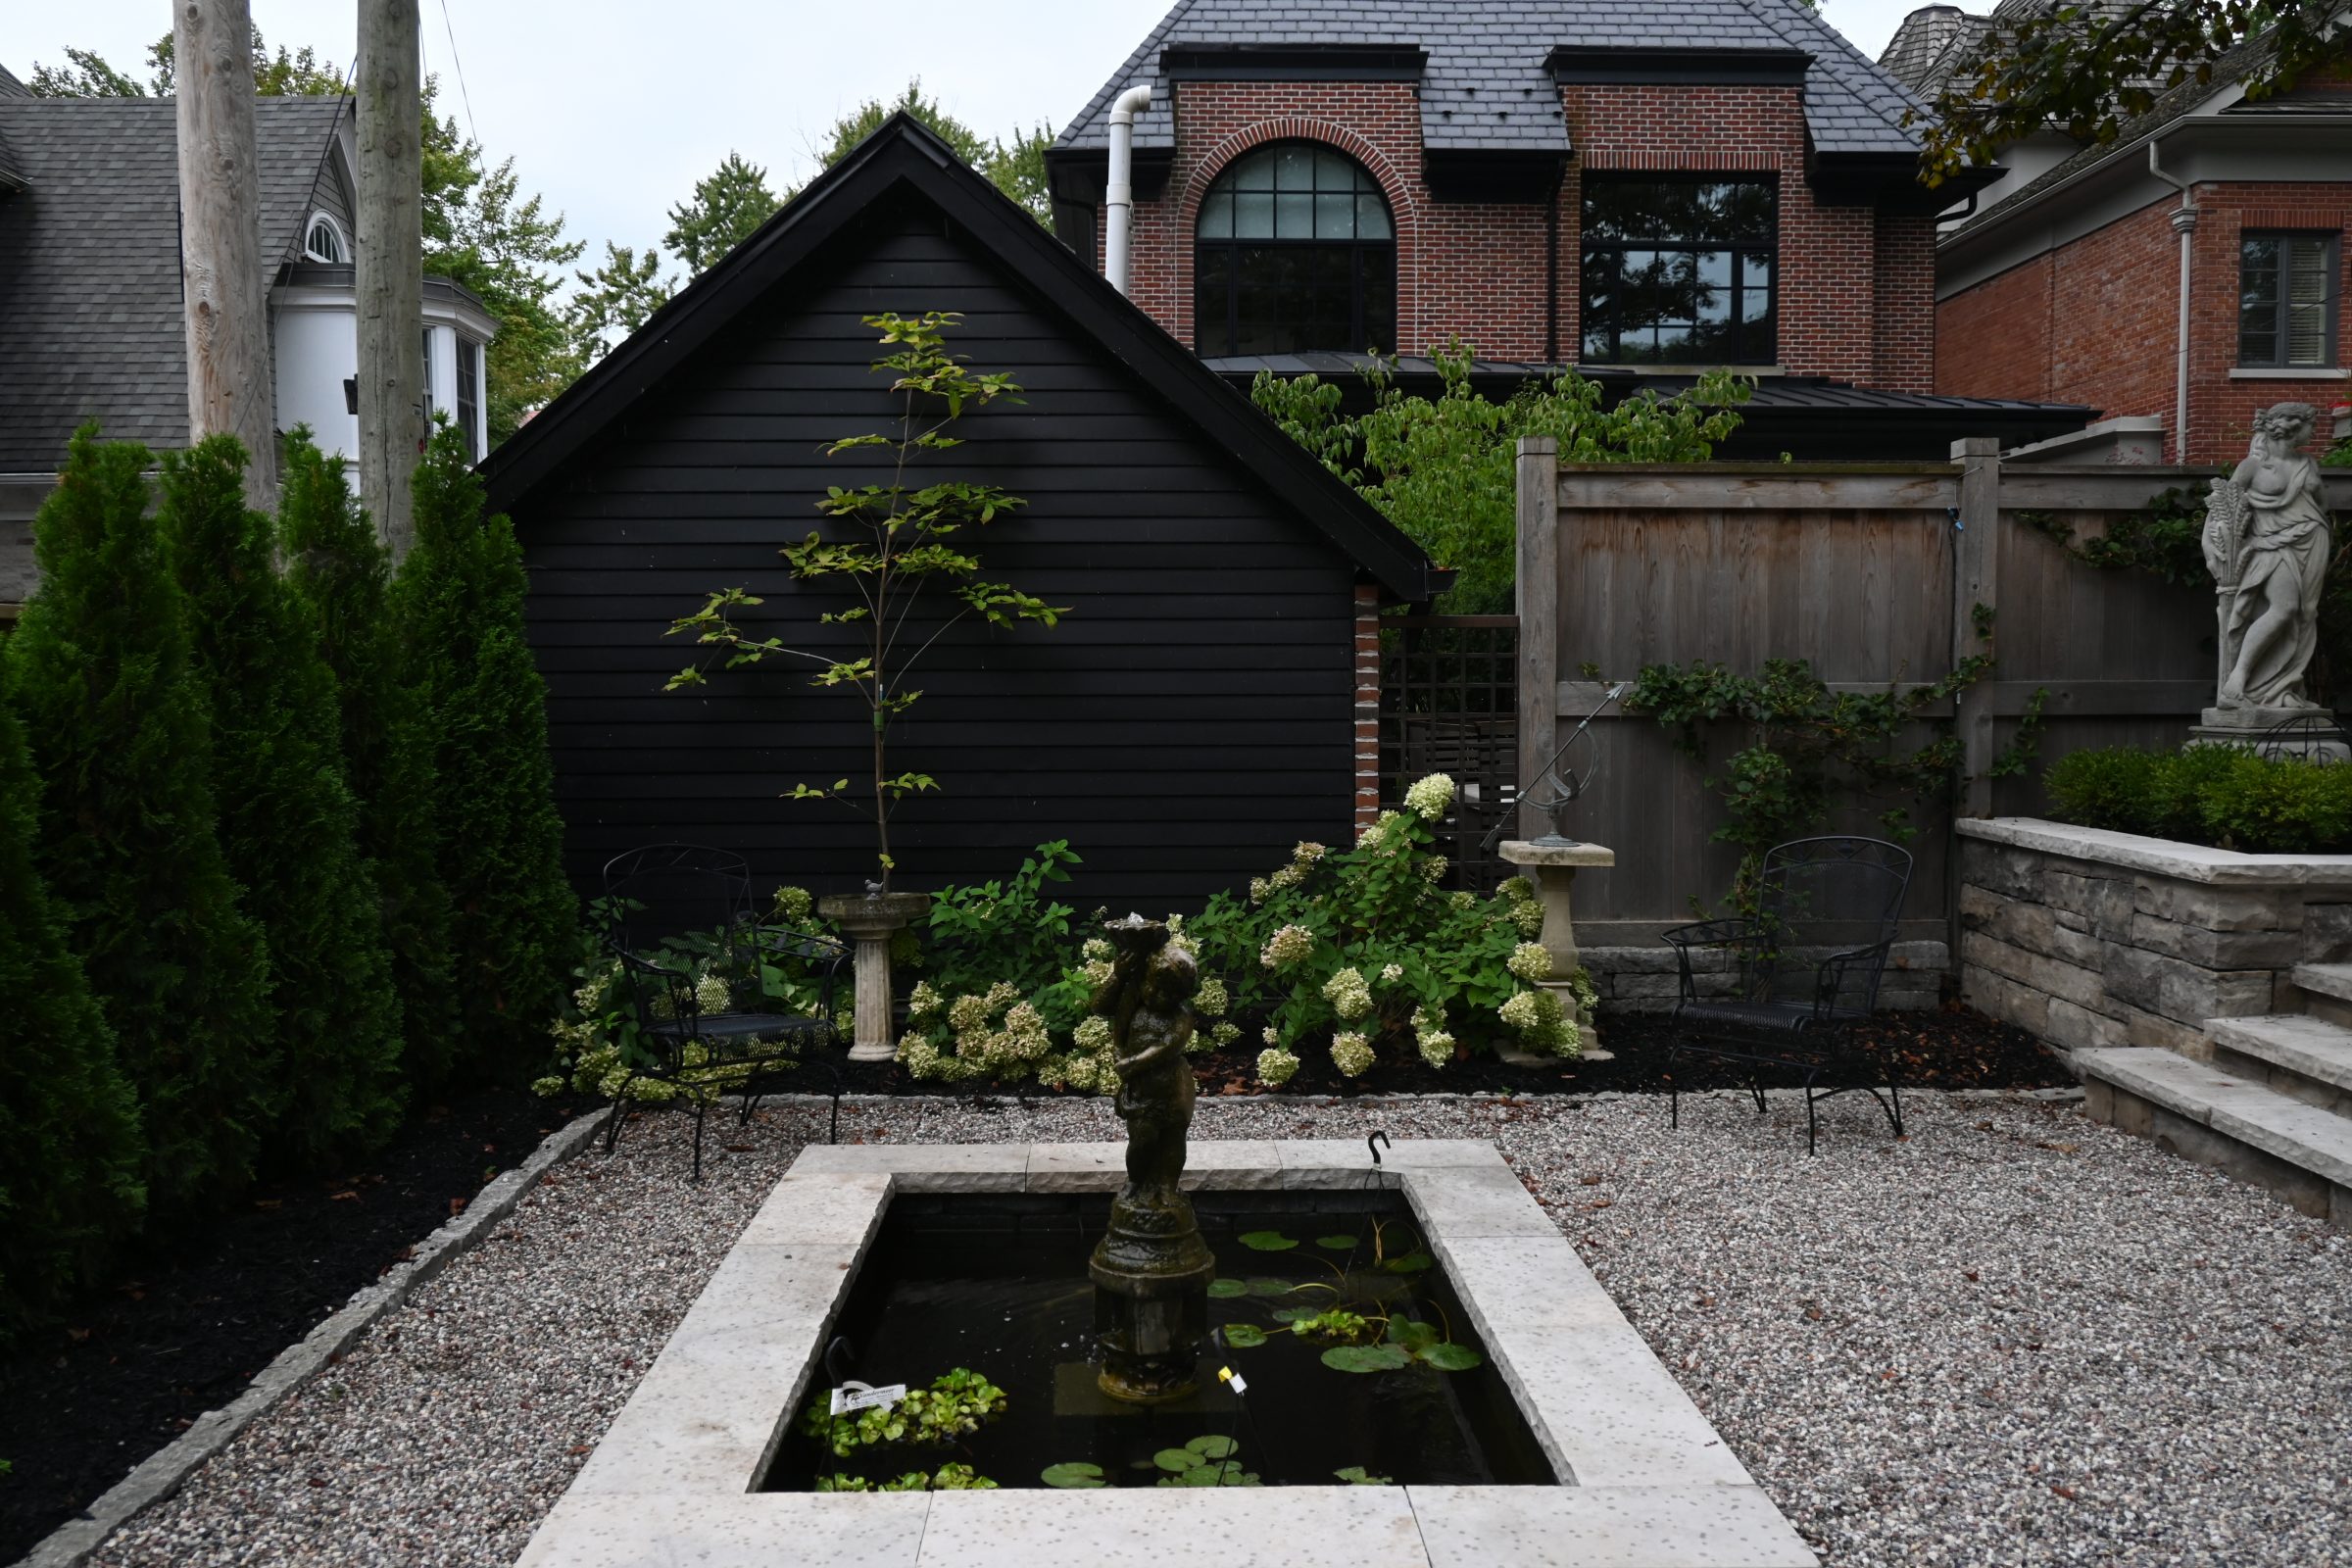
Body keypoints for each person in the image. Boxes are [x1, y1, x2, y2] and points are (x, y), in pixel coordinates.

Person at [2217, 403, 2329, 710]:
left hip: (2312, 539)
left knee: (2305, 614)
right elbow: (2224, 511)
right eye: (2312, 425)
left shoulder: (2308, 462)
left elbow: (2322, 505)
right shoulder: (2252, 466)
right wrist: (2219, 551)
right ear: (2292, 425)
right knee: (2284, 608)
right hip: (2271, 544)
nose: (2315, 431)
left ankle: (2284, 689)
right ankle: (2239, 676)